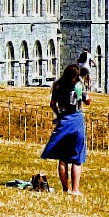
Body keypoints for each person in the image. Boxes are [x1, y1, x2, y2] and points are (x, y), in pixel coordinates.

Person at [41, 64, 90, 196]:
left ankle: (65, 189)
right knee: (77, 158)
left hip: (64, 121)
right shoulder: (79, 86)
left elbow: (52, 104)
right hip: (76, 119)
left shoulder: (58, 86)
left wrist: (58, 114)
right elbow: (88, 101)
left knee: (63, 158)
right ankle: (75, 190)